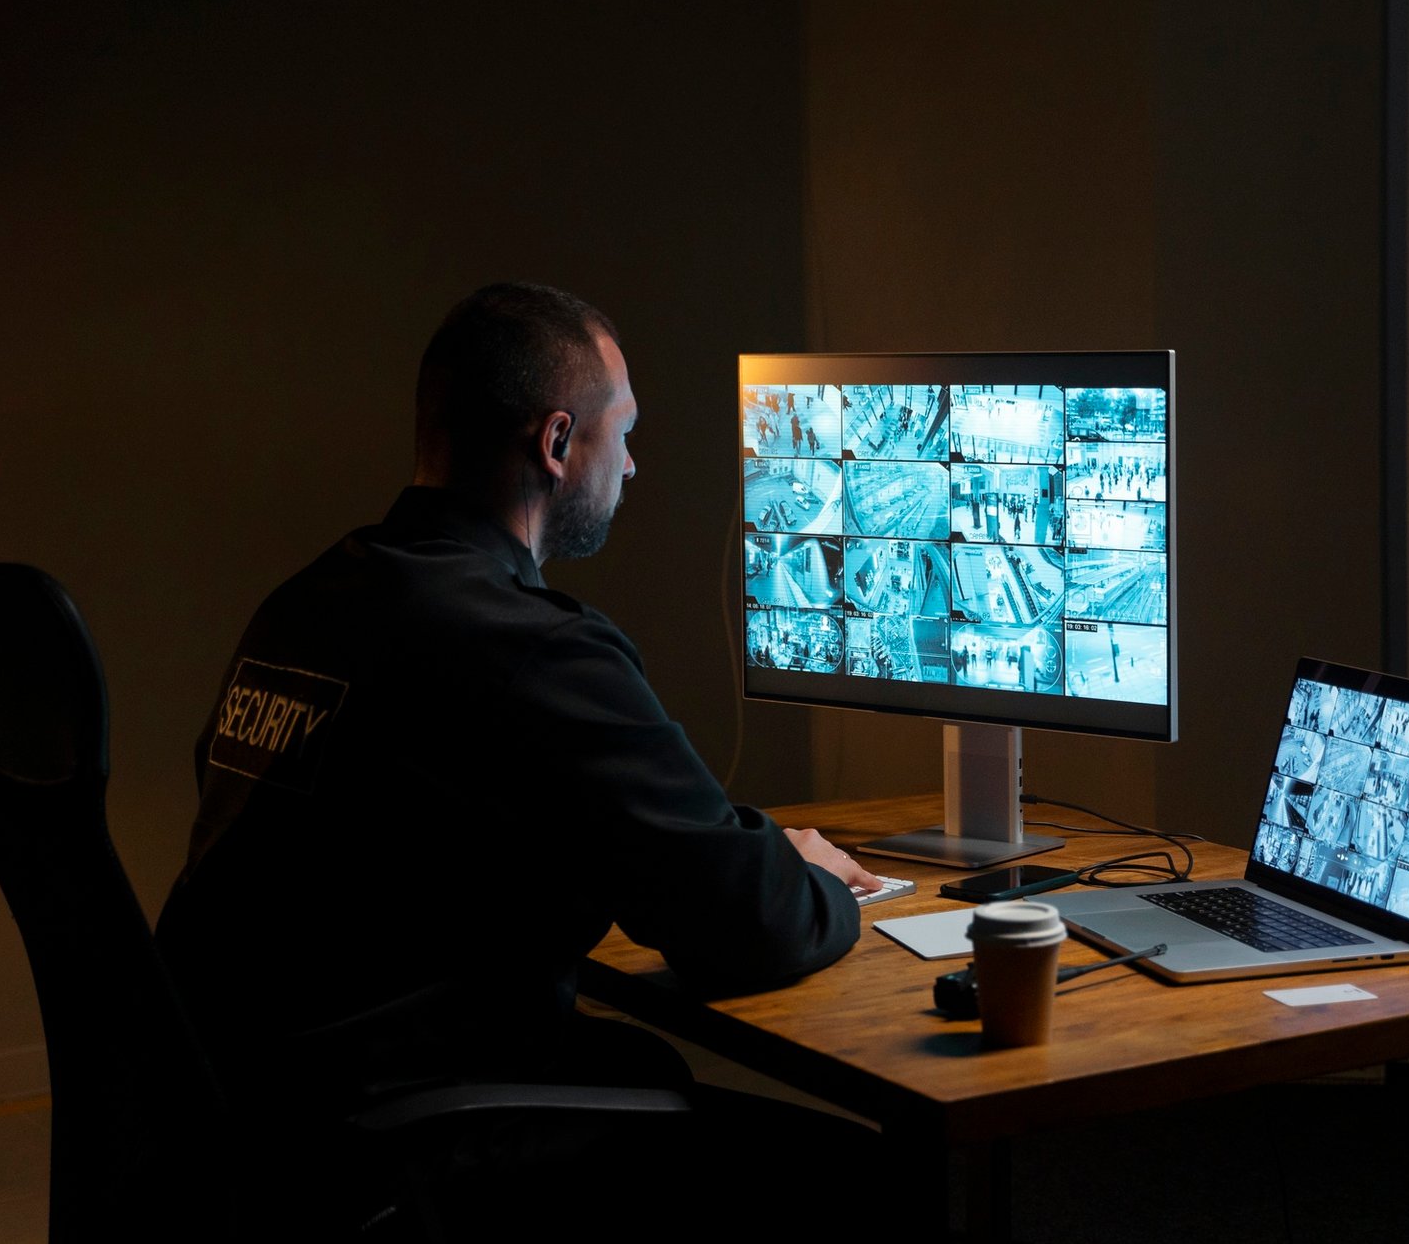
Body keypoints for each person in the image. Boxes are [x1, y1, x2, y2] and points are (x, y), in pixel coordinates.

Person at [155, 281, 885, 1238]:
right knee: (886, 1183)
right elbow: (748, 923)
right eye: (620, 433)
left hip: (241, 1125)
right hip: (399, 1141)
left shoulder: (311, 598)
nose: (632, 465)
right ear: (554, 445)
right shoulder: (527, 645)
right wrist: (808, 874)